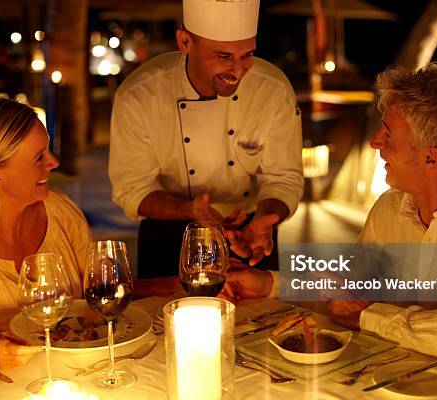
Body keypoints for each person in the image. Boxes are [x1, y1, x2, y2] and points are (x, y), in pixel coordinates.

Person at [222, 62, 437, 377]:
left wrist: (369, 316)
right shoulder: (391, 207)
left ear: (430, 157)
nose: (375, 142)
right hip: (396, 375)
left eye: (389, 133)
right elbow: (349, 286)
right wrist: (268, 284)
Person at [0, 98, 181, 369]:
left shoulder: (57, 209)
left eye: (48, 150)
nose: (53, 162)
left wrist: (178, 285)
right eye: (38, 157)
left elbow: (101, 294)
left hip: (66, 376)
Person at [109, 0, 304, 278]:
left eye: (247, 55)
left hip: (249, 235)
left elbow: (284, 178)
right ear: (185, 42)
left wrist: (267, 217)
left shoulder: (272, 90)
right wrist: (189, 210)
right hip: (169, 234)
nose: (238, 71)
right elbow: (132, 188)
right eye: (224, 56)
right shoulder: (139, 96)